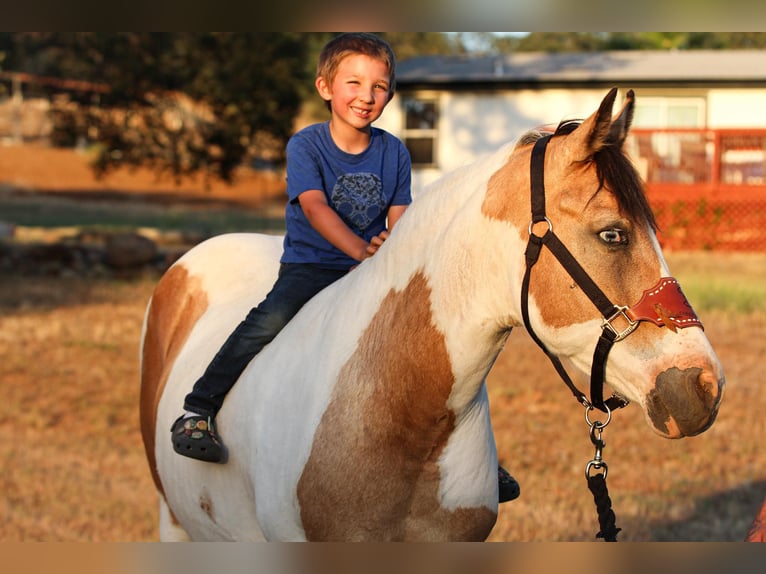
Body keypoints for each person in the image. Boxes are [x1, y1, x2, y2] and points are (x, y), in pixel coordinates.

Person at [171, 32, 520, 504]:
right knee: (265, 323)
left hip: (373, 271)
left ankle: (477, 460)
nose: (366, 96)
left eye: (379, 87)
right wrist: (360, 250)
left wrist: (392, 250)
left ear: (390, 96)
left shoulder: (393, 151)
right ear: (325, 87)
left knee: (446, 347)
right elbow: (314, 207)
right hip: (312, 266)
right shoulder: (306, 145)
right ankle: (199, 408)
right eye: (354, 82)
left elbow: (402, 216)